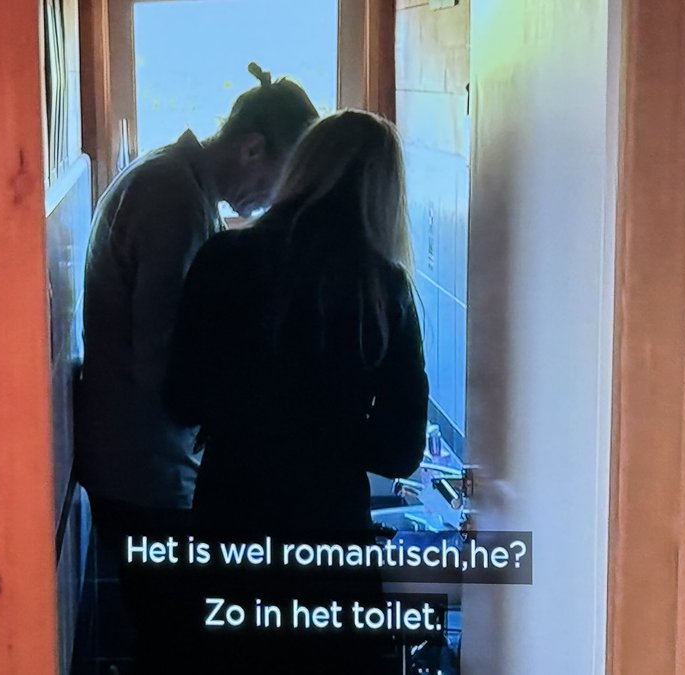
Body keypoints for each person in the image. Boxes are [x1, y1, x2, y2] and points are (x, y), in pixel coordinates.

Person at [165, 110, 430, 674]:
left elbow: (181, 399)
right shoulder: (383, 289)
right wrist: (331, 432)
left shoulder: (223, 258)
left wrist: (250, 415)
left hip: (229, 520)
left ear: (301, 167)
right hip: (329, 536)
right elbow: (400, 451)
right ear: (386, 194)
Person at [76, 64, 317, 663]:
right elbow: (164, 354)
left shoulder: (174, 181)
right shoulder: (174, 198)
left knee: (172, 637)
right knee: (178, 645)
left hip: (137, 464)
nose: (270, 204)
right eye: (278, 181)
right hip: (146, 470)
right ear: (252, 148)